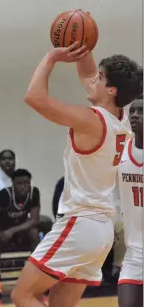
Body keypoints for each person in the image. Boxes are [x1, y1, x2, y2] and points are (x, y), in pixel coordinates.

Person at [11, 43, 142, 307]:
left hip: (79, 223)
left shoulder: (90, 119)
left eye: (101, 78)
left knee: (22, 295)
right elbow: (87, 73)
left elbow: (34, 97)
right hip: (101, 230)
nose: (92, 80)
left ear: (111, 90)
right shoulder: (122, 118)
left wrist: (51, 57)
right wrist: (82, 44)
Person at [0, 169, 40, 298]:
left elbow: (34, 220)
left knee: (34, 233)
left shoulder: (34, 193)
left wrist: (13, 230)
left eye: (26, 183)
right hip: (2, 231)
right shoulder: (5, 194)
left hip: (18, 230)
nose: (23, 186)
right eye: (19, 183)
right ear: (13, 184)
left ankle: (37, 277)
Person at [117, 98, 143, 307]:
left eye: (141, 112)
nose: (135, 115)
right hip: (134, 252)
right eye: (132, 111)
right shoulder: (122, 151)